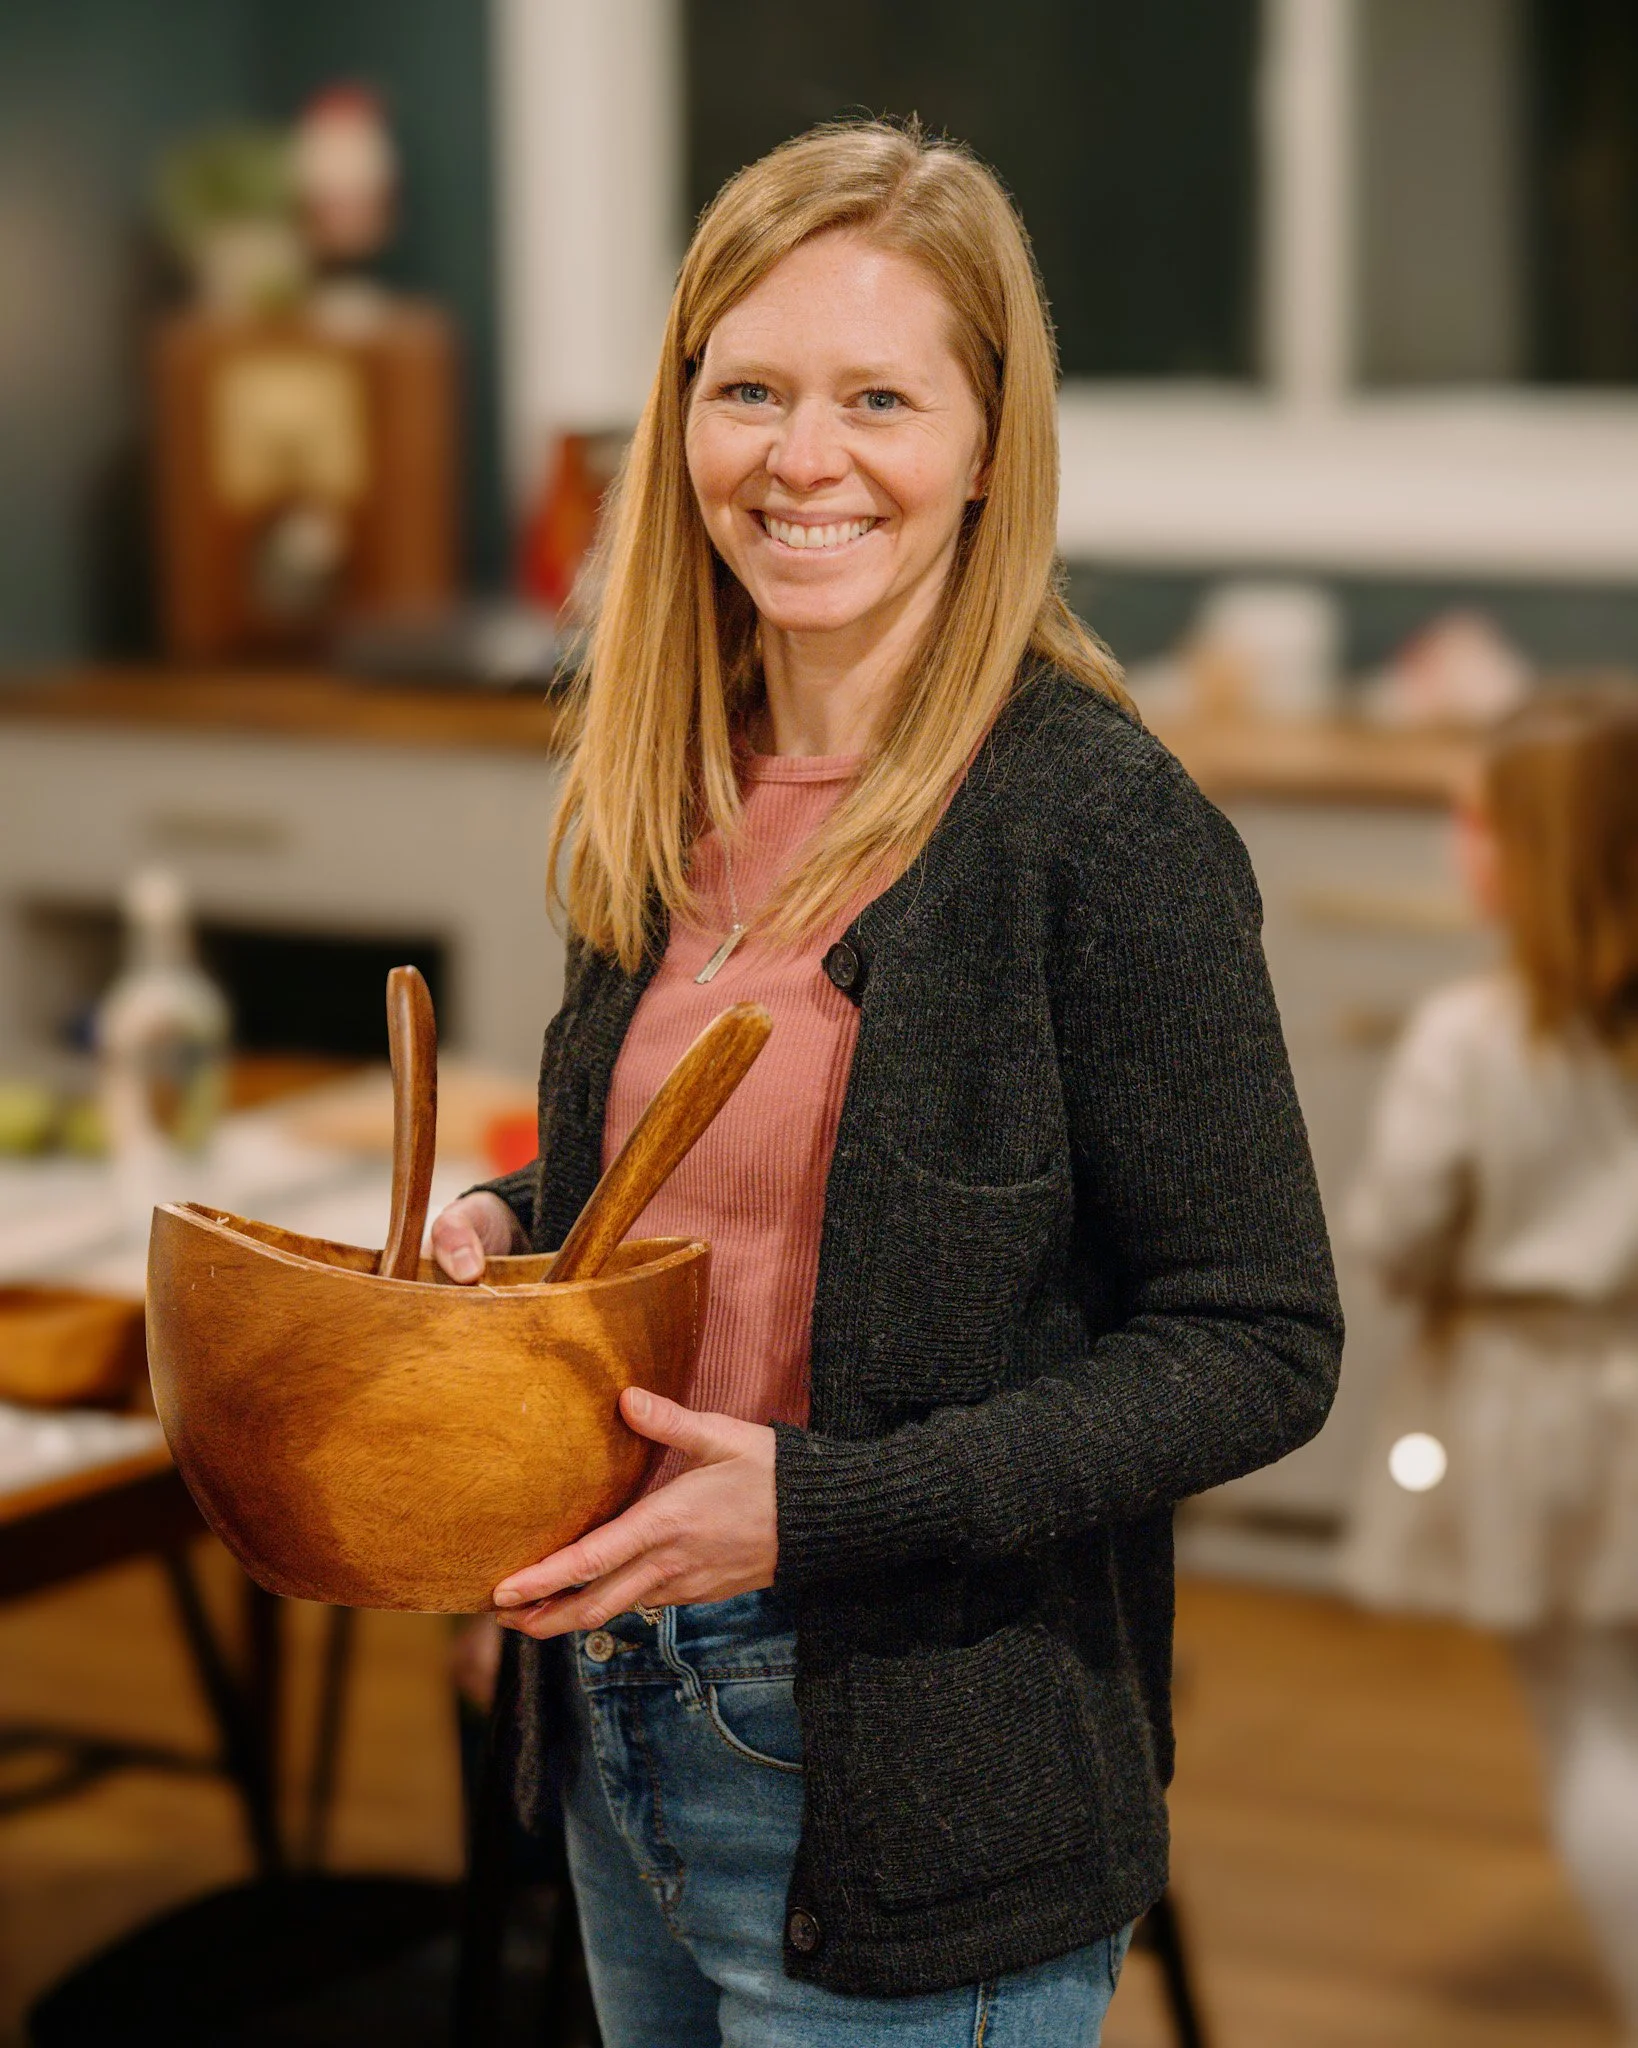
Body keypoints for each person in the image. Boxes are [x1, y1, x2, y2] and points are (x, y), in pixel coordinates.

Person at [432, 119, 1341, 2047]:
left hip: (919, 1765)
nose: (801, 458)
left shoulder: (1093, 826)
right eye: (747, 390)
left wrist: (817, 1514)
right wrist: (511, 1227)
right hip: (612, 1696)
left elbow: (1258, 1339)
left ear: (988, 445)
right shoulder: (663, 778)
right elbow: (702, 1190)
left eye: (875, 397)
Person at [1343, 686, 1638, 2041]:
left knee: (1594, 1725)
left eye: (1473, 818)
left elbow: (1391, 1230)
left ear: (1539, 846)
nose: (1453, 840)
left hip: (1535, 1398)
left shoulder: (1472, 1035)